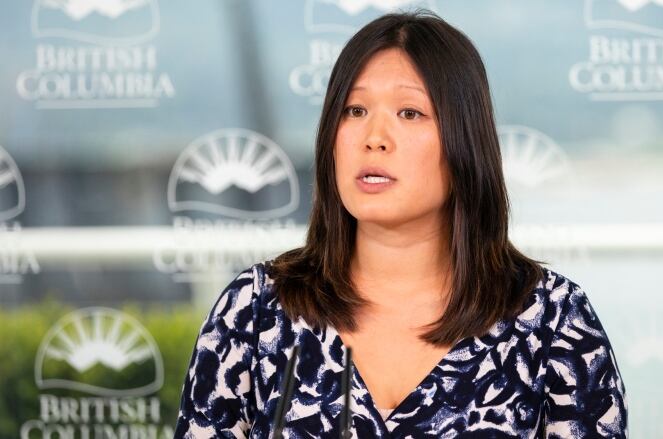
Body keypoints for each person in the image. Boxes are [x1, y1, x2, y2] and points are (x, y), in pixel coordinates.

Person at [174, 10, 627, 438]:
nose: (374, 138)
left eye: (409, 113)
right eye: (354, 111)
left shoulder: (553, 322)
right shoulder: (256, 311)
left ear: (463, 140)